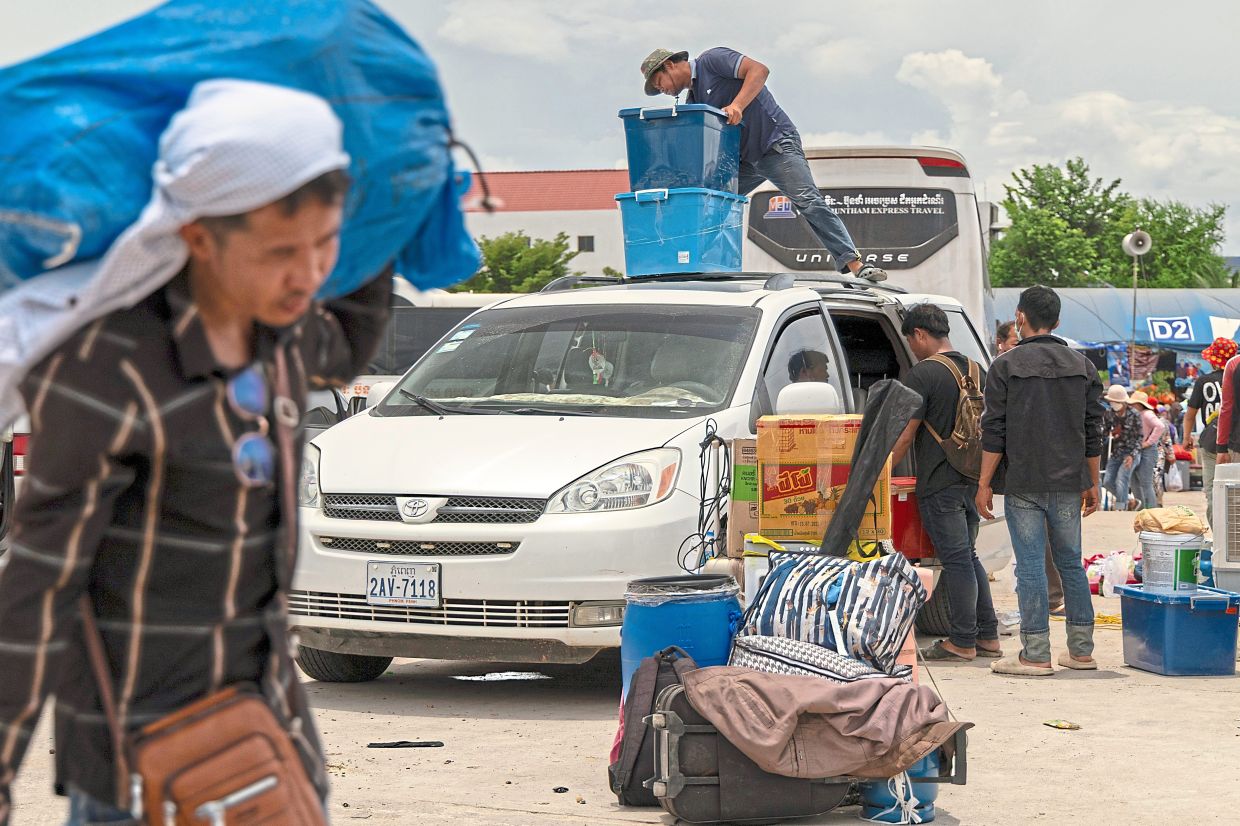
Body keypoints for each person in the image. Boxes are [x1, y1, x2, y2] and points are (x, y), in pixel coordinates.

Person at [0, 81, 391, 824]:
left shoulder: (274, 334)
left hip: (268, 744)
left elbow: (344, 347)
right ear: (199, 237)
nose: (307, 275)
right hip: (142, 764)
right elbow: (35, 593)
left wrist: (385, 217)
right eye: (281, 251)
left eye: (324, 245)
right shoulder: (104, 370)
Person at [640, 47, 886, 282]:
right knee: (711, 201)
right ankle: (693, 265)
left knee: (807, 200)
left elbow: (759, 70)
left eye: (658, 82)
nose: (661, 89)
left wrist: (737, 104)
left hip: (774, 145)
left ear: (669, 65)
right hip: (745, 159)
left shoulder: (712, 61)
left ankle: (855, 263)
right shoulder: (692, 100)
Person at [977, 286, 1102, 676]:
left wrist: (983, 482)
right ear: (1058, 321)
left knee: (1030, 566)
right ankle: (1081, 651)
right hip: (1069, 480)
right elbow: (1092, 430)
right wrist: (1093, 482)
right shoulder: (1084, 367)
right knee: (1070, 563)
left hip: (1023, 481)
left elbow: (993, 431)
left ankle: (1035, 653)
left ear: (1019, 317)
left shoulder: (1004, 366)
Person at [890, 303, 1000, 661]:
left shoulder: (924, 374)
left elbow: (906, 435)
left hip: (940, 480)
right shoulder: (977, 369)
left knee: (955, 560)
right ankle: (988, 636)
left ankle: (963, 641)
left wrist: (880, 472)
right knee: (967, 556)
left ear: (920, 334)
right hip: (972, 477)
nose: (912, 347)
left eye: (910, 340)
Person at [1185, 337, 1234, 525]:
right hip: (1233, 442)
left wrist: (1186, 437)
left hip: (1210, 442)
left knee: (1213, 492)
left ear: (1213, 360)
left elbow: (1190, 414)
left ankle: (1218, 539)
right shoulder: (1236, 379)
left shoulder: (1203, 382)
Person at [1102, 385, 1142, 511]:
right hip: (1116, 452)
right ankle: (1130, 500)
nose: (1114, 404)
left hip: (1131, 453)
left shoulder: (1134, 414)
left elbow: (1139, 438)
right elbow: (1104, 433)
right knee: (1107, 482)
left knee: (1122, 478)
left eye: (1116, 402)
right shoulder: (1109, 414)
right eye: (1112, 402)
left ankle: (1121, 508)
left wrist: (1132, 456)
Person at [1129, 390, 1164, 510]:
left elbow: (1160, 426)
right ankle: (1141, 507)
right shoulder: (1136, 414)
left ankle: (1150, 508)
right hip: (1137, 449)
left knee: (1145, 481)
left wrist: (1148, 442)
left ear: (1138, 404)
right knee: (1133, 480)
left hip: (1147, 450)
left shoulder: (1147, 414)